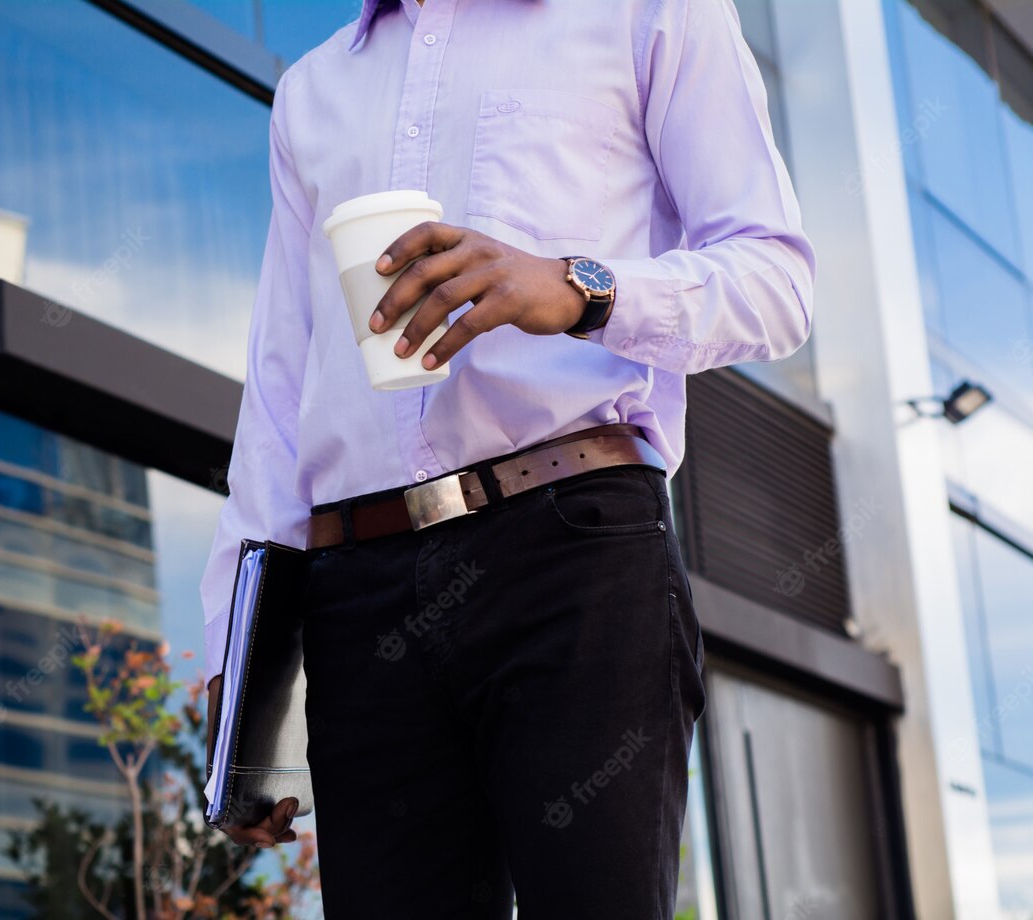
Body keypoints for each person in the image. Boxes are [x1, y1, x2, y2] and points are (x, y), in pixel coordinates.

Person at [200, 0, 814, 916]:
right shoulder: (313, 90)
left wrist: (576, 289)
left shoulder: (652, 12)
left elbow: (777, 283)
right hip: (356, 596)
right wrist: (235, 651)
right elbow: (280, 390)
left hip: (573, 551)